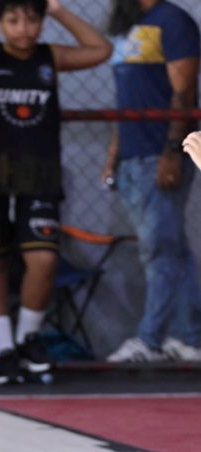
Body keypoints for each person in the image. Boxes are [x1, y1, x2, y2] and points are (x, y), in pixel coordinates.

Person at [0, 0, 112, 383]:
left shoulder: (50, 56)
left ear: (42, 21)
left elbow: (101, 49)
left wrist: (58, 10)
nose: (23, 27)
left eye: (32, 18)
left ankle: (28, 338)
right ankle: (3, 349)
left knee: (44, 261)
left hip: (39, 179)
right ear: (0, 22)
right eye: (13, 19)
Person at [103, 0, 201, 362]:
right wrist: (115, 151)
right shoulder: (129, 23)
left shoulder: (172, 21)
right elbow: (127, 97)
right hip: (132, 153)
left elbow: (184, 90)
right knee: (170, 249)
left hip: (158, 154)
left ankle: (151, 340)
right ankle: (190, 337)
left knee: (159, 251)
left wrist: (174, 151)